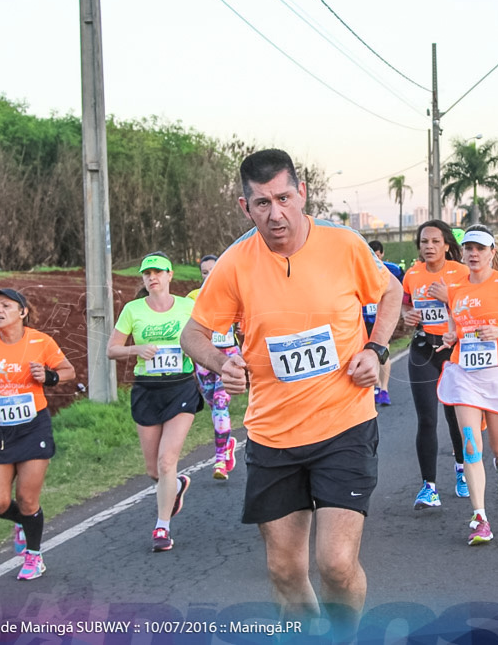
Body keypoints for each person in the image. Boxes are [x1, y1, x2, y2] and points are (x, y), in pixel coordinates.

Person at [181, 149, 401, 637]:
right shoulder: (236, 263)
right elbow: (192, 333)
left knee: (336, 565)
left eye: (283, 198)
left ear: (302, 194)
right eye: (261, 203)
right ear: (245, 208)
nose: (275, 213)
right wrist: (223, 362)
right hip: (272, 435)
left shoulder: (343, 245)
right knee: (284, 571)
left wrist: (377, 348)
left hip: (344, 423)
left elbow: (391, 293)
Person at [436, 225, 498, 545]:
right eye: (469, 249)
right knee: (470, 445)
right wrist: (450, 336)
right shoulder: (455, 288)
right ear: (463, 253)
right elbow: (454, 329)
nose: (474, 254)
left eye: (480, 248)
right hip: (464, 375)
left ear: (492, 253)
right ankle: (480, 518)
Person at [0, 288, 75, 580]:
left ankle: (33, 555)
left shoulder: (41, 341)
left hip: (33, 426)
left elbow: (68, 371)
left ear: (22, 312)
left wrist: (49, 376)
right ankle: (21, 521)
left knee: (28, 499)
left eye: (5, 305)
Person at [107, 252, 201, 552]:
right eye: (147, 273)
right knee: (153, 470)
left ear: (170, 275)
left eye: (158, 272)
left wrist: (198, 352)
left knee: (166, 461)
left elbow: (204, 337)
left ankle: (162, 527)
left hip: (181, 387)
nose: (152, 277)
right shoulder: (133, 310)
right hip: (147, 389)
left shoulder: (188, 306)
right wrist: (137, 349)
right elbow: (111, 350)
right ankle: (175, 486)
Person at [402, 220, 469, 509]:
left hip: (453, 351)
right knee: (427, 418)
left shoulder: (461, 273)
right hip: (423, 349)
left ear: (446, 246)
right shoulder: (412, 275)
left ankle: (462, 470)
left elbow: (476, 308)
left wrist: (449, 297)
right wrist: (407, 316)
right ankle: (428, 486)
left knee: (455, 416)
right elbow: (405, 305)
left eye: (434, 242)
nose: (428, 246)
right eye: (424, 242)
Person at [187, 254, 239, 481]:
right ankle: (227, 445)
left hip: (228, 356)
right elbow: (188, 332)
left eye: (213, 271)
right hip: (204, 359)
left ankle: (220, 460)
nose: (208, 276)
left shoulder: (235, 293)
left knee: (220, 404)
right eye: (204, 273)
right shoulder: (193, 298)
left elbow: (245, 328)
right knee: (213, 404)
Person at [366, 240, 404, 407]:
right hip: (364, 319)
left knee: (383, 353)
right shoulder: (362, 269)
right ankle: (374, 389)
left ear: (381, 254)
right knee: (367, 354)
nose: (374, 257)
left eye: (377, 254)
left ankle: (384, 389)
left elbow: (400, 288)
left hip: (381, 319)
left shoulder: (391, 269)